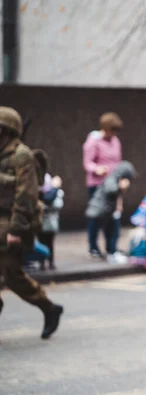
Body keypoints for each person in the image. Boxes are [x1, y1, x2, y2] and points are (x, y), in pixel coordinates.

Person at [0, 107, 63, 339]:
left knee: (13, 276)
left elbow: (25, 196)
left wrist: (16, 230)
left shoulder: (21, 155)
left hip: (9, 225)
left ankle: (49, 308)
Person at [83, 112, 123, 259]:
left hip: (112, 185)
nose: (113, 134)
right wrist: (97, 169)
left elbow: (117, 163)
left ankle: (111, 247)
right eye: (111, 130)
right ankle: (93, 247)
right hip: (97, 185)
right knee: (96, 216)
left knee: (113, 216)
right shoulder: (93, 141)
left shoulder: (116, 141)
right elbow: (87, 163)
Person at [85, 161, 136, 265]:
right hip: (99, 210)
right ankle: (102, 251)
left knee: (111, 232)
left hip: (107, 211)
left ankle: (111, 251)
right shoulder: (112, 179)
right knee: (102, 230)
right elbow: (110, 190)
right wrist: (120, 187)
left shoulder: (114, 179)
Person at [38, 173, 64, 270]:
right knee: (42, 242)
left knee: (49, 243)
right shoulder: (41, 194)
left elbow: (56, 204)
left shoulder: (56, 193)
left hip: (51, 223)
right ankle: (42, 263)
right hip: (41, 222)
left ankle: (50, 262)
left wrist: (55, 189)